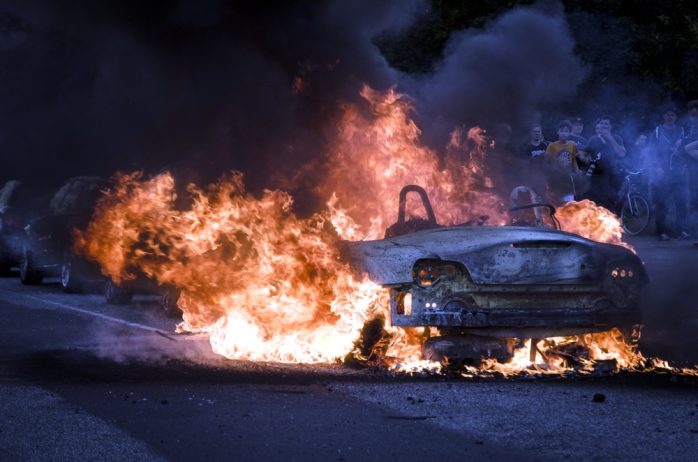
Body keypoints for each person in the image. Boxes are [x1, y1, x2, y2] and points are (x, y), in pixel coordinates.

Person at [646, 105, 689, 240]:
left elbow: (686, 151)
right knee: (661, 203)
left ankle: (681, 230)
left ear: (676, 117)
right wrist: (657, 168)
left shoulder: (682, 131)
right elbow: (652, 152)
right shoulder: (657, 131)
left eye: (673, 115)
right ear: (663, 116)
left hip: (678, 172)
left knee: (681, 202)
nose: (670, 117)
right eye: (667, 115)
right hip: (662, 172)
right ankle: (661, 232)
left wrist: (684, 166)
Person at [581, 116, 626, 210]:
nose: (604, 125)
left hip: (612, 176)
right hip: (596, 176)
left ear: (611, 126)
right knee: (594, 202)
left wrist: (610, 138)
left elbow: (622, 153)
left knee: (610, 202)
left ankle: (612, 222)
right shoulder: (593, 139)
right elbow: (584, 155)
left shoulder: (617, 138)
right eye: (602, 123)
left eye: (606, 124)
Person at [544, 120, 587, 204]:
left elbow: (573, 160)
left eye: (566, 131)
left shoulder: (572, 144)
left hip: (568, 178)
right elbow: (546, 162)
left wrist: (577, 170)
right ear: (558, 132)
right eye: (562, 131)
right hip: (556, 178)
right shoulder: (552, 146)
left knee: (569, 202)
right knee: (557, 201)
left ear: (569, 133)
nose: (564, 133)